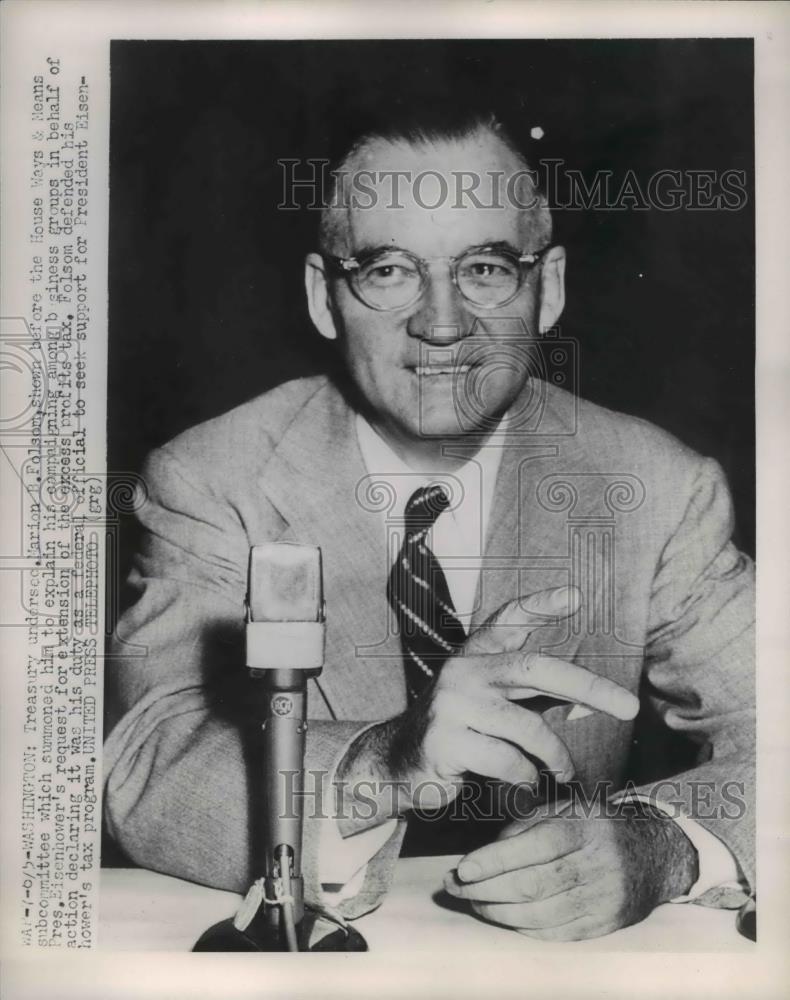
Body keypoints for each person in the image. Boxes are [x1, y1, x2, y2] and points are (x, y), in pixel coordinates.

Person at [103, 101, 755, 942]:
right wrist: (385, 763)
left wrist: (661, 844)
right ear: (324, 296)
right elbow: (150, 762)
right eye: (388, 271)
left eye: (484, 268)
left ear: (546, 288)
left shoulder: (657, 486)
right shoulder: (213, 476)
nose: (442, 324)